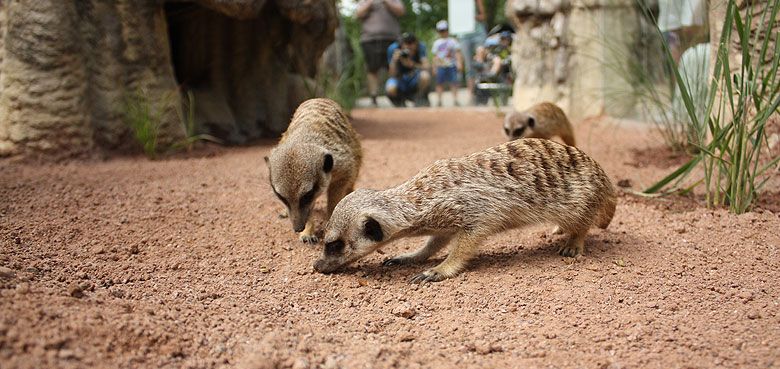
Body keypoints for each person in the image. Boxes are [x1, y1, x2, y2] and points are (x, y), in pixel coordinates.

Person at [356, 0, 405, 107]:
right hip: (370, 39)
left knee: (394, 67)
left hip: (392, 39)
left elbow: (401, 11)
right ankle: (373, 96)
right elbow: (358, 13)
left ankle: (396, 95)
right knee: (372, 69)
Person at [453, 0, 487, 104]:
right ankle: (471, 96)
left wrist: (472, 17)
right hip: (463, 35)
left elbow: (483, 16)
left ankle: (483, 92)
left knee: (480, 60)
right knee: (469, 67)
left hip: (478, 33)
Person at [386, 33, 431, 107]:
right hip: (400, 80)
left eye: (411, 43)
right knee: (390, 87)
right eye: (405, 43)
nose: (408, 46)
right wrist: (394, 61)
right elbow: (391, 74)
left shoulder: (420, 47)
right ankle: (399, 101)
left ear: (416, 43)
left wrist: (413, 64)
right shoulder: (393, 49)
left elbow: (427, 67)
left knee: (425, 76)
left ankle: (420, 98)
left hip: (414, 79)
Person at [431, 20, 463, 107]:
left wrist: (459, 63)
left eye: (444, 30)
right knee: (439, 83)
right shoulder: (436, 43)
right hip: (440, 65)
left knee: (454, 82)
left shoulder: (453, 41)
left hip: (451, 65)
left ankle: (455, 100)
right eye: (441, 30)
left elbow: (457, 53)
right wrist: (434, 67)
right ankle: (439, 100)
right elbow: (435, 56)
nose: (443, 32)